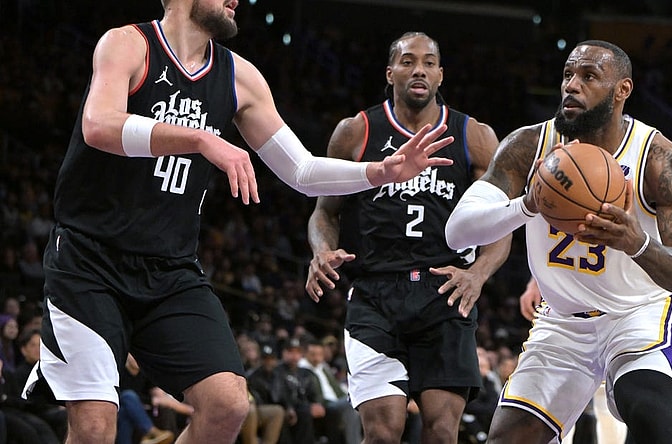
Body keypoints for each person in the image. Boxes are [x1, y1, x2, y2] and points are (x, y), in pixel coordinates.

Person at [19, 1, 455, 443]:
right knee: (93, 428)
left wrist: (379, 172)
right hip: (89, 262)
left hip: (169, 269)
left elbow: (301, 171)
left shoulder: (239, 76)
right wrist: (202, 138)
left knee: (227, 406)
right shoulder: (128, 44)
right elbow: (98, 124)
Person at [445, 40, 672, 443]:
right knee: (507, 438)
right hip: (563, 321)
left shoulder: (660, 161)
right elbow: (458, 231)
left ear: (622, 90)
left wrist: (636, 242)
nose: (572, 85)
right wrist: (527, 206)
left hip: (638, 313)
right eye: (568, 74)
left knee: (647, 410)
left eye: (588, 76)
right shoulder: (528, 147)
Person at [306, 31, 511, 444]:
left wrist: (479, 275)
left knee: (440, 431)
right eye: (407, 61)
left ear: (440, 75)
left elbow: (501, 222)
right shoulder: (355, 132)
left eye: (429, 62)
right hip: (375, 294)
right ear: (390, 72)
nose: (419, 69)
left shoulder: (475, 136)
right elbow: (325, 211)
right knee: (382, 432)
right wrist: (321, 251)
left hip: (445, 295)